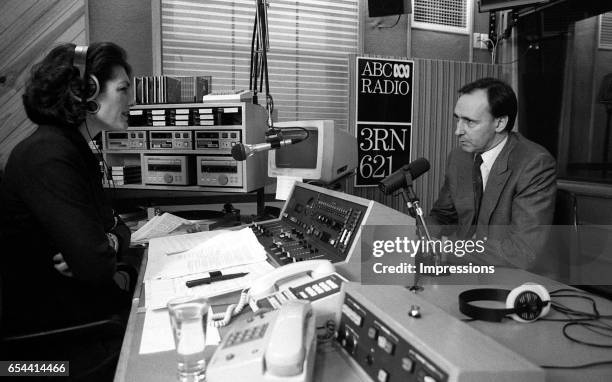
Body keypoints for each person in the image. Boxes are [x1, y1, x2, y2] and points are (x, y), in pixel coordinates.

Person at [0, 42, 135, 336]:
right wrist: (102, 250)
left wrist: (107, 242)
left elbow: (117, 230)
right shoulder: (48, 156)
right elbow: (95, 267)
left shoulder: (73, 149)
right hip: (55, 342)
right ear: (85, 91)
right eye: (123, 90)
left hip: (80, 313)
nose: (132, 101)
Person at [427, 78, 557, 269]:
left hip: (513, 280)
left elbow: (522, 252)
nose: (457, 131)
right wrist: (422, 236)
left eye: (469, 122)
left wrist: (449, 249)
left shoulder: (535, 163)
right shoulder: (458, 157)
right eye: (458, 119)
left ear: (500, 123)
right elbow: (442, 216)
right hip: (465, 270)